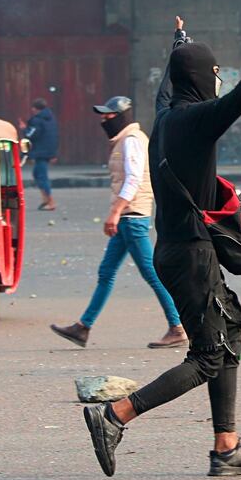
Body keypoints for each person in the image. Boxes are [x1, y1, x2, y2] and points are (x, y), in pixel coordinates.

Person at [80, 10, 241, 478]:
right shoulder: (198, 120)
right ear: (201, 80)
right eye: (212, 74)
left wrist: (179, 41)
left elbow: (167, 85)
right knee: (207, 356)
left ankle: (226, 448)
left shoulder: (166, 117)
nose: (217, 81)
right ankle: (115, 415)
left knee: (230, 334)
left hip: (176, 251)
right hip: (192, 255)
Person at [49, 96, 187, 349]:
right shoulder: (125, 140)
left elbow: (133, 180)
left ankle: (178, 326)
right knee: (107, 273)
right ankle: (83, 327)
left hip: (132, 217)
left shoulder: (132, 142)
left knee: (153, 274)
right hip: (127, 218)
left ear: (122, 116)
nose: (104, 120)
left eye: (108, 116)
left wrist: (115, 212)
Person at [19, 98, 59, 210]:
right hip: (48, 150)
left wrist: (24, 129)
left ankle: (51, 202)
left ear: (34, 109)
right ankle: (45, 200)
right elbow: (54, 136)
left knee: (41, 176)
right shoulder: (51, 119)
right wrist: (53, 153)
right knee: (38, 174)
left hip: (40, 152)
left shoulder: (37, 120)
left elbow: (31, 135)